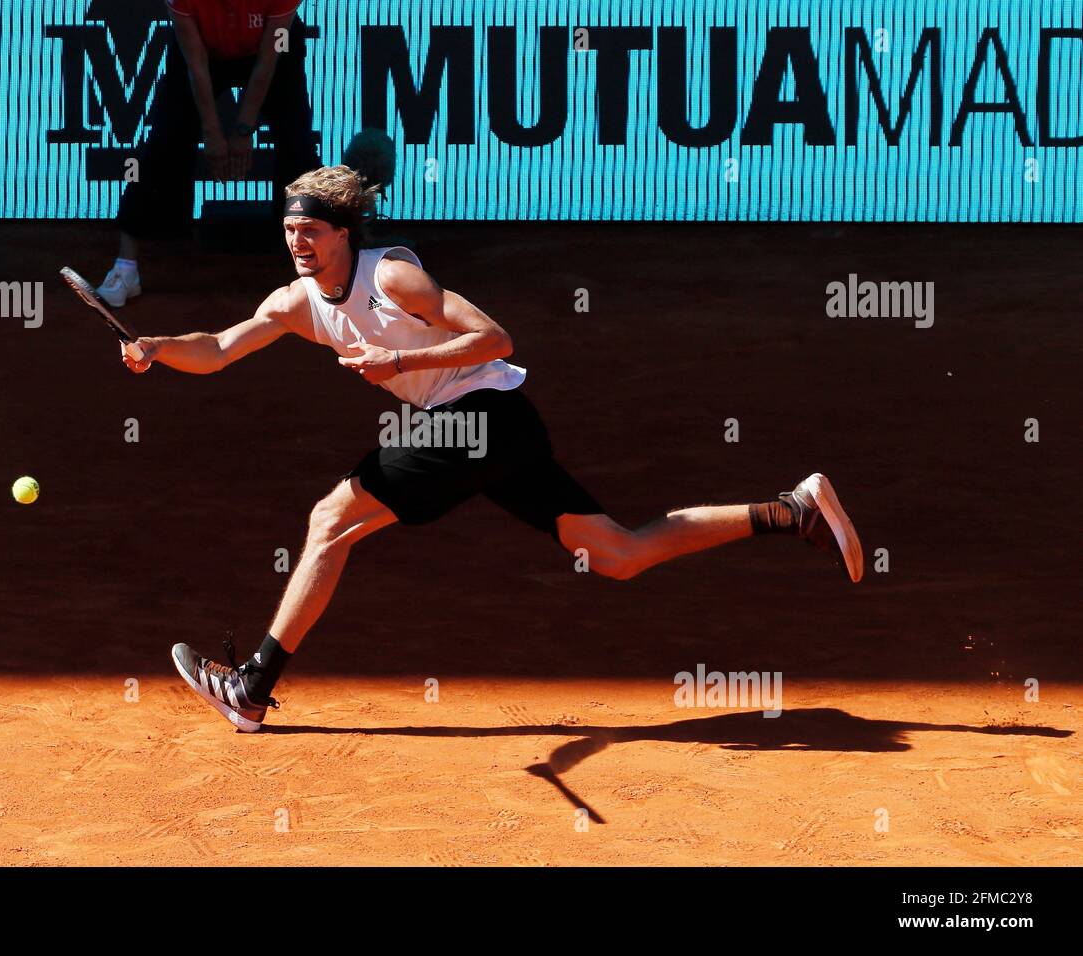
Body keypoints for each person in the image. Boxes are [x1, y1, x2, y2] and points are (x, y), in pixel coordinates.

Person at [120, 165, 865, 733]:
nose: (296, 242)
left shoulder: (393, 276)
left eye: (309, 231)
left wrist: (400, 365)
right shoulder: (295, 302)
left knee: (330, 520)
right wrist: (156, 347)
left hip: (479, 416)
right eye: (289, 231)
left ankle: (251, 689)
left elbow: (496, 338)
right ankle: (790, 509)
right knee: (617, 553)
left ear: (345, 230)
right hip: (500, 435)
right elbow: (217, 348)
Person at [97, 0, 319, 306]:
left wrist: (243, 129)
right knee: (162, 140)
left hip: (274, 50)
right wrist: (212, 133)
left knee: (300, 147)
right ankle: (125, 268)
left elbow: (267, 64)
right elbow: (197, 65)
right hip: (202, 52)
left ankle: (322, 268)